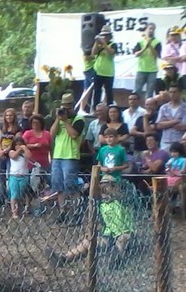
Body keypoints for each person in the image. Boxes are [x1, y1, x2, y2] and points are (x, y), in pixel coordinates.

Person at [45, 174, 135, 266]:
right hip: (109, 235)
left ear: (114, 187)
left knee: (122, 239)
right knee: (87, 242)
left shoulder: (121, 200)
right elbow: (99, 222)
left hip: (125, 232)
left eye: (107, 187)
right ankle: (65, 258)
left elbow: (121, 196)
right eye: (102, 188)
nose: (104, 190)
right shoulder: (101, 205)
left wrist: (112, 194)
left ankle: (118, 260)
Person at [50, 92, 86, 222]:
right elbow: (52, 134)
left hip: (71, 156)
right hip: (57, 155)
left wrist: (65, 121)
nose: (65, 109)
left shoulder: (79, 119)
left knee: (71, 185)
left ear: (72, 106)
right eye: (63, 106)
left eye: (68, 107)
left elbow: (74, 135)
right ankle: (62, 212)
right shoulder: (60, 119)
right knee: (58, 186)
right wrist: (57, 119)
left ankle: (77, 212)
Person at [132, 22, 161, 99]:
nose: (151, 30)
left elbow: (157, 55)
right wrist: (145, 47)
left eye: (153, 29)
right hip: (141, 69)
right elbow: (136, 54)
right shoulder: (140, 42)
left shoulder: (157, 42)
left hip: (152, 70)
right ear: (146, 29)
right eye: (150, 28)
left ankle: (148, 106)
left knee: (149, 93)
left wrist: (150, 45)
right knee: (137, 91)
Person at [91, 25, 117, 107]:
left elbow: (111, 53)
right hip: (98, 71)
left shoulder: (113, 44)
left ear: (109, 36)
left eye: (105, 35)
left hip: (108, 72)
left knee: (109, 92)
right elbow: (93, 53)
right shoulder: (99, 45)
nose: (104, 37)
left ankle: (110, 108)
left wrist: (104, 44)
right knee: (97, 92)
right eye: (103, 35)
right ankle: (96, 108)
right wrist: (96, 42)